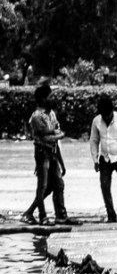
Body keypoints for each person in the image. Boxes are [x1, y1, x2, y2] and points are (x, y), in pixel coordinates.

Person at [21, 84, 77, 225]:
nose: (53, 99)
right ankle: (42, 216)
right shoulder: (36, 116)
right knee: (43, 186)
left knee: (58, 184)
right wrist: (58, 134)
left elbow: (53, 136)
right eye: (49, 96)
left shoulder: (51, 114)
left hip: (52, 152)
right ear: (42, 99)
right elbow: (47, 137)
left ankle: (61, 216)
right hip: (42, 152)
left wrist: (61, 162)